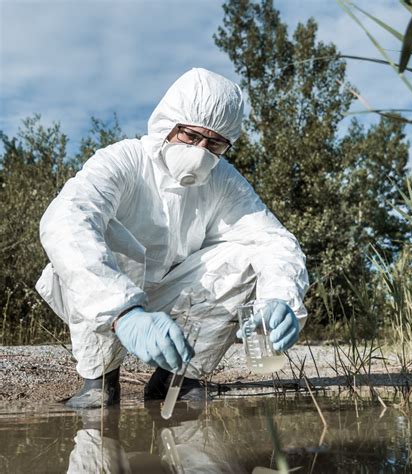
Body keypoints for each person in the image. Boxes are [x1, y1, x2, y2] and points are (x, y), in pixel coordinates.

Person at [36, 68, 309, 409]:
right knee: (94, 232)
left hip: (170, 292)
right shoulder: (124, 160)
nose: (200, 151)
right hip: (107, 292)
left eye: (215, 143)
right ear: (170, 123)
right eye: (191, 136)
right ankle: (101, 378)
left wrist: (280, 297)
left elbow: (272, 240)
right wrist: (124, 313)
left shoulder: (224, 180)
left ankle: (177, 379)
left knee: (244, 258)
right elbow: (66, 219)